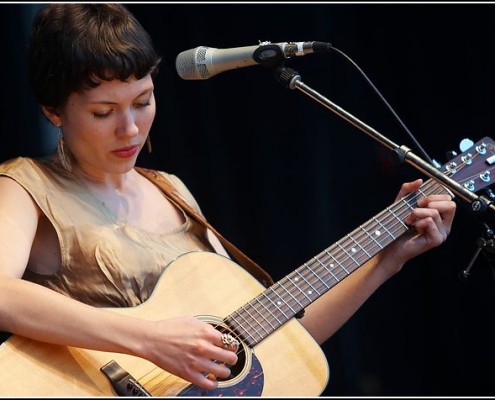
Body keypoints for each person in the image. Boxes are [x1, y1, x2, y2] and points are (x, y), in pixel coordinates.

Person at [0, 3, 456, 396]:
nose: (131, 128)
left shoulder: (172, 190)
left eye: (143, 101)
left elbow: (274, 345)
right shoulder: (25, 184)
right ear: (52, 111)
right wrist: (148, 339)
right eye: (104, 112)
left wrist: (388, 258)